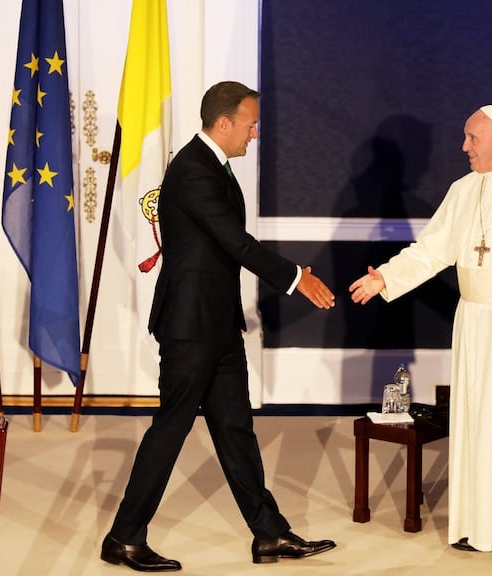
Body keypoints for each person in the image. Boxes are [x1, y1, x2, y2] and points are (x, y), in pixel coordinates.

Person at [101, 81, 337, 572]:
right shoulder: (192, 170)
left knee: (235, 429)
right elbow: (235, 242)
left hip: (218, 325)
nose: (255, 133)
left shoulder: (214, 168)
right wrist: (295, 277)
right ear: (223, 122)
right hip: (190, 327)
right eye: (250, 124)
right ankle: (124, 538)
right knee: (171, 428)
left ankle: (269, 534)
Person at [349, 105, 492, 567]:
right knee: (480, 424)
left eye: (472, 138)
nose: (464, 147)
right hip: (475, 322)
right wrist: (386, 280)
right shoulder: (463, 190)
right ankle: (482, 527)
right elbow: (431, 250)